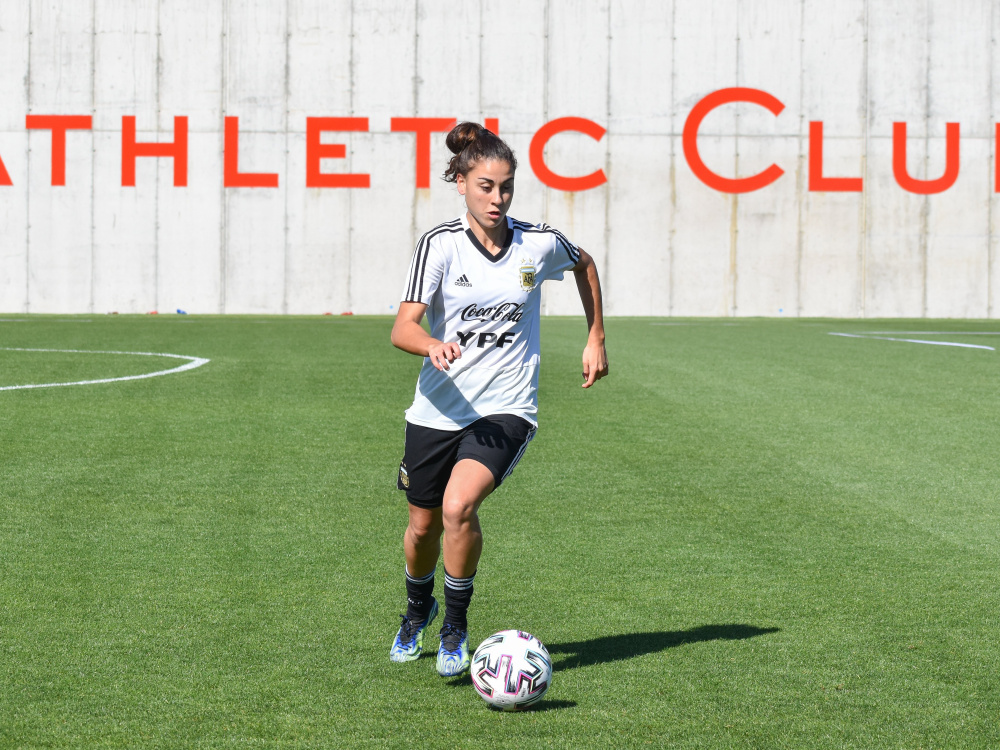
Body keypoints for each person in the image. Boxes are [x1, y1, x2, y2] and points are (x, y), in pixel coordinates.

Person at [389, 122, 608, 676]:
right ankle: (418, 611)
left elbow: (584, 263)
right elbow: (402, 328)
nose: (498, 198)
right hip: (437, 410)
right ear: (459, 182)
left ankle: (455, 630)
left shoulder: (537, 243)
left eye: (506, 186)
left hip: (506, 408)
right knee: (423, 526)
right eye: (485, 186)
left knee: (459, 507)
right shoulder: (438, 245)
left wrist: (595, 337)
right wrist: (433, 344)